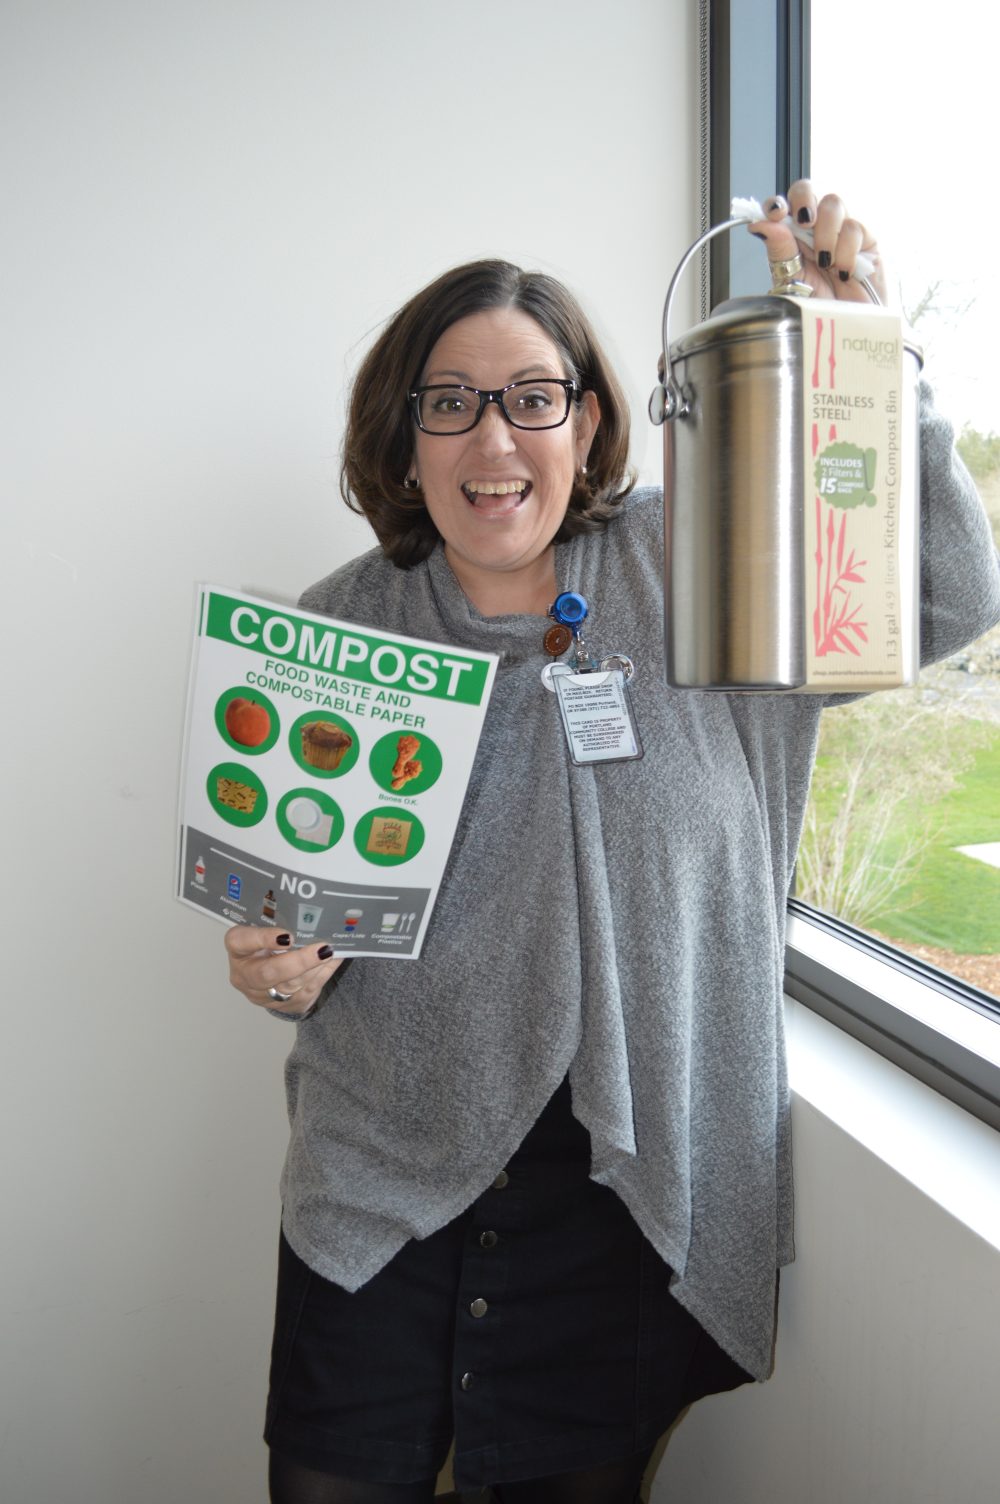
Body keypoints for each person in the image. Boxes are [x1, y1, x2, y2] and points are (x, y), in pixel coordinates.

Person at [224, 183, 1000, 1504]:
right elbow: (289, 911)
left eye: (532, 395)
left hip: (625, 1199)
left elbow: (940, 599)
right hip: (384, 1190)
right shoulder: (341, 626)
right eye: (449, 399)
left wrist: (866, 357)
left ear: (586, 419)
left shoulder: (705, 565)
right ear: (404, 436)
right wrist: (273, 967)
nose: (493, 437)